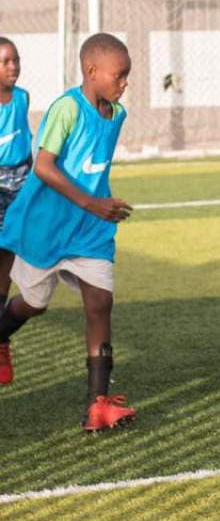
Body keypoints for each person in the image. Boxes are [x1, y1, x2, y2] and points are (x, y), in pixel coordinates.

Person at [0, 33, 136, 431]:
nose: (125, 83)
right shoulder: (66, 109)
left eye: (127, 76)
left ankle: (98, 404)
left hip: (91, 230)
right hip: (49, 226)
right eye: (120, 75)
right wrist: (91, 202)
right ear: (92, 71)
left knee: (99, 304)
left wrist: (97, 207)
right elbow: (43, 166)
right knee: (34, 303)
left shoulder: (118, 113)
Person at [0, 37, 32, 385]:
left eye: (16, 60)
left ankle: (2, 341)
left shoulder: (22, 98)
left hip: (22, 181)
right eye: (6, 61)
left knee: (9, 256)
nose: (13, 66)